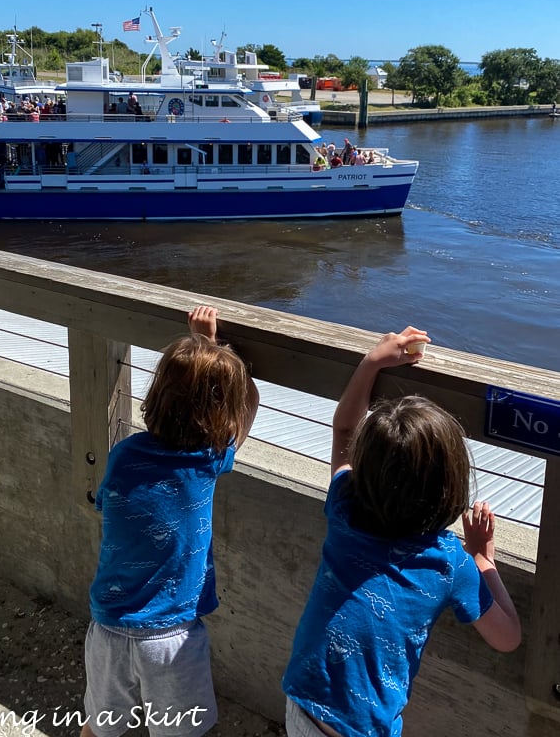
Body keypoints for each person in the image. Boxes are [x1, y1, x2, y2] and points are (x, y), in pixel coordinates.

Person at [283, 326, 521, 737]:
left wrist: (373, 362)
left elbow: (343, 431)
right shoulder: (449, 563)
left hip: (302, 705)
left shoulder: (344, 507)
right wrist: (482, 558)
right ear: (449, 486)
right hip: (363, 730)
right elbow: (508, 637)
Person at [82, 305, 259, 737]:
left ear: (157, 392)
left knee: (99, 726)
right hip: (170, 637)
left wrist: (198, 347)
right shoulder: (208, 461)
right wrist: (212, 344)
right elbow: (248, 408)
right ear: (221, 412)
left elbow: (107, 505)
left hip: (107, 624)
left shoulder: (124, 454)